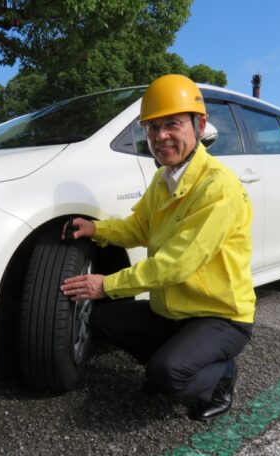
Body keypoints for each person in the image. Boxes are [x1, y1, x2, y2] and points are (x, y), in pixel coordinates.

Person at [60, 74, 256, 421]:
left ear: (200, 125)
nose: (160, 136)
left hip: (219, 317)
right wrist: (96, 229)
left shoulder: (217, 189)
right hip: (174, 312)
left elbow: (175, 264)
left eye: (172, 125)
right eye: (152, 128)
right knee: (103, 320)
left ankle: (219, 376)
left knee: (167, 374)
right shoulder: (163, 179)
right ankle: (172, 362)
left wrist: (105, 285)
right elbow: (139, 227)